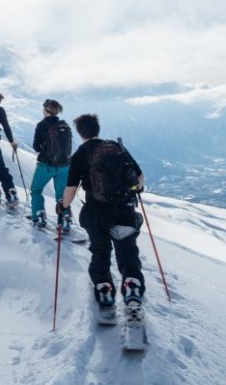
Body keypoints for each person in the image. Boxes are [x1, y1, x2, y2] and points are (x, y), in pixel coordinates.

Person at [59, 113, 146, 320]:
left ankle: (104, 288)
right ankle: (132, 288)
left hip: (97, 213)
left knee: (100, 251)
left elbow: (71, 188)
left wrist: (63, 206)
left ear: (81, 134)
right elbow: (139, 178)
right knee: (127, 253)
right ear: (97, 129)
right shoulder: (116, 147)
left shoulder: (81, 154)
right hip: (124, 210)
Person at [29, 99, 71, 228]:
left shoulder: (42, 125)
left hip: (45, 166)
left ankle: (39, 216)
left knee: (36, 191)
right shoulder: (64, 125)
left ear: (46, 111)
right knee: (61, 195)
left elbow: (36, 147)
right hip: (64, 166)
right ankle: (64, 220)